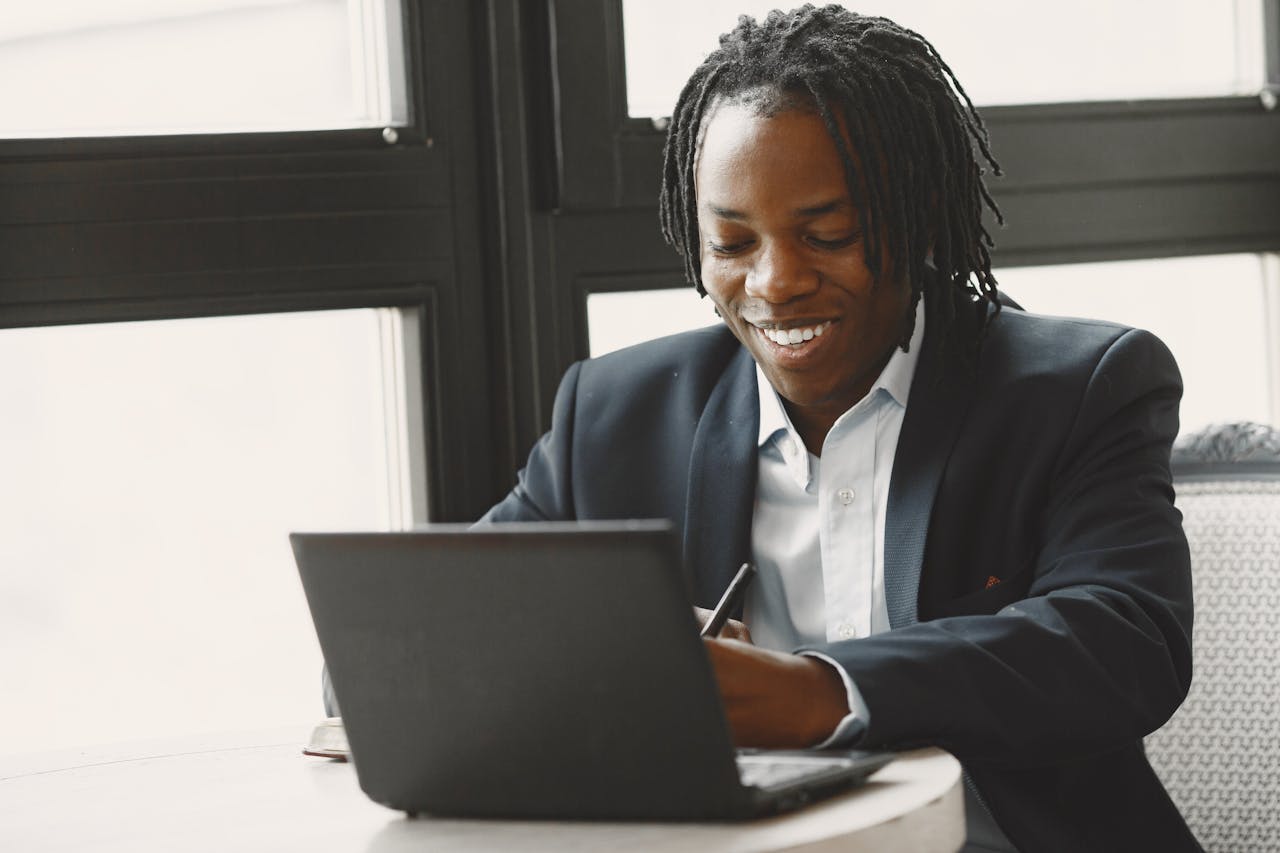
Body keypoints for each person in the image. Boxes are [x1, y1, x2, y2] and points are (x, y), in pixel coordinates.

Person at [482, 6, 1200, 851]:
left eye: (828, 234)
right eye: (732, 242)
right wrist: (618, 656)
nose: (776, 281)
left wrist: (818, 690)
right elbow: (419, 655)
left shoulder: (1078, 389)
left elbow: (1125, 638)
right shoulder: (611, 416)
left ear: (918, 213)